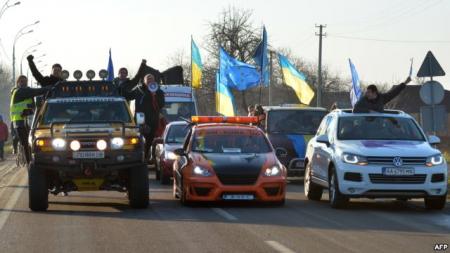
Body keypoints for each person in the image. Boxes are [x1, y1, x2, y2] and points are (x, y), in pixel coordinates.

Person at [122, 73, 165, 160]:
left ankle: (146, 157)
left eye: (151, 79)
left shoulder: (158, 91)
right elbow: (128, 96)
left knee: (150, 140)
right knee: (138, 139)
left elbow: (161, 105)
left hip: (153, 120)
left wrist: (155, 95)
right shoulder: (139, 90)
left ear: (154, 81)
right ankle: (137, 157)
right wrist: (123, 85)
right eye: (148, 79)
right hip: (140, 120)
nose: (150, 81)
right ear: (144, 81)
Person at [10, 75, 52, 163]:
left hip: (25, 121)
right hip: (20, 122)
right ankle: (29, 163)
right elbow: (36, 91)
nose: (24, 83)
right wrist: (49, 88)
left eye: (25, 81)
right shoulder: (19, 91)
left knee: (29, 142)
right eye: (21, 81)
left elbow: (32, 104)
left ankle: (31, 159)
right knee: (26, 143)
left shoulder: (25, 92)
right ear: (17, 83)